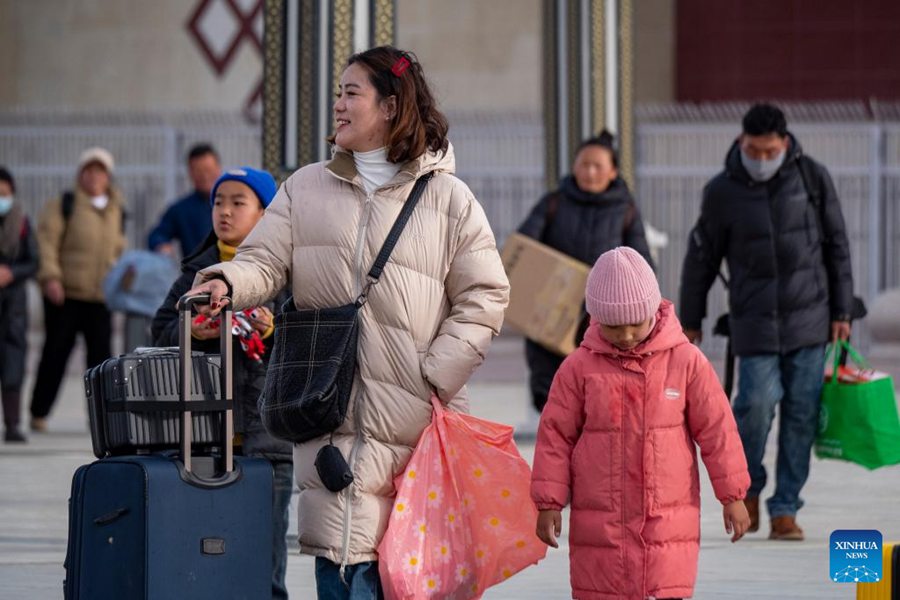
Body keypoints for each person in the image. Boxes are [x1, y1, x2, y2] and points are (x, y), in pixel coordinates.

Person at [184, 46, 509, 598]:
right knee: (341, 561)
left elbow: (485, 295)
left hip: (417, 428)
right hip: (326, 412)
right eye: (337, 92)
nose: (337, 104)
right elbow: (263, 261)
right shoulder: (305, 187)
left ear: (389, 105)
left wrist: (433, 374)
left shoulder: (450, 200)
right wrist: (227, 283)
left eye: (350, 92)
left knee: (404, 573)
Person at [532, 247, 750, 600]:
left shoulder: (685, 361)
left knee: (664, 586)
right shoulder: (579, 368)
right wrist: (548, 502)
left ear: (653, 310)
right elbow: (555, 436)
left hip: (666, 519)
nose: (628, 334)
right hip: (601, 521)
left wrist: (733, 495)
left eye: (637, 322)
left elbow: (718, 430)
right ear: (597, 319)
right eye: (615, 326)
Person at [679, 103, 854, 541]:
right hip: (753, 321)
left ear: (785, 144)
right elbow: (701, 256)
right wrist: (691, 318)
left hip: (809, 319)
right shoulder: (722, 191)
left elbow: (837, 246)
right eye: (753, 150)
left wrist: (842, 311)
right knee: (753, 408)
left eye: (769, 150)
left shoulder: (812, 178)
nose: (761, 159)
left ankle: (785, 508)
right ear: (742, 142)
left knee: (801, 414)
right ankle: (749, 490)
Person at [151, 166, 293, 599]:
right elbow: (157, 334)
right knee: (204, 553)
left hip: (267, 443)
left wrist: (272, 331)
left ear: (265, 213)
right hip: (203, 441)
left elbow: (308, 345)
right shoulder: (195, 274)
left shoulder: (286, 275)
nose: (225, 212)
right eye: (218, 202)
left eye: (238, 202)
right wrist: (193, 332)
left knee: (264, 562)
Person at [517, 131, 654, 419]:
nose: (590, 172)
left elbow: (642, 263)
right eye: (584, 165)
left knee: (597, 387)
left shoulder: (625, 209)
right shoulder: (554, 202)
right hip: (552, 312)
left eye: (598, 166)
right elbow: (524, 246)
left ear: (613, 171)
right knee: (550, 387)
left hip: (601, 317)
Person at [29, 148, 127, 432]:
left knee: (101, 362)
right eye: (89, 170)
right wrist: (50, 278)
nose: (94, 176)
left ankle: (102, 419)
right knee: (55, 355)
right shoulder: (64, 204)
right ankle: (39, 412)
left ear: (108, 176)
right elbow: (46, 243)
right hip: (66, 295)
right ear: (81, 174)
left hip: (100, 298)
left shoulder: (116, 208)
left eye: (100, 171)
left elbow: (119, 247)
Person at [0, 167, 39, 442]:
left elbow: (34, 261)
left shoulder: (22, 222)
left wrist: (11, 273)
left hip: (13, 305)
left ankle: (12, 424)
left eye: (3, 193)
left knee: (13, 363)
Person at [148, 143, 222, 257]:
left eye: (208, 170)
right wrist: (161, 245)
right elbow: (157, 235)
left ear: (218, 168)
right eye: (198, 171)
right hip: (197, 272)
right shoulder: (181, 210)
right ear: (190, 173)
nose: (205, 176)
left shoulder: (236, 205)